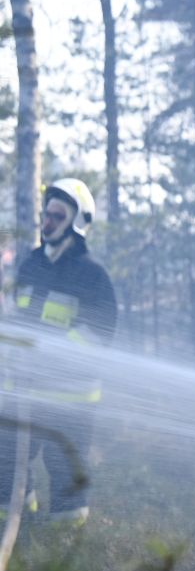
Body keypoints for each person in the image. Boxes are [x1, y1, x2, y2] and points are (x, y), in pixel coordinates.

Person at [0, 178, 117, 525]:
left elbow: (99, 334)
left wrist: (49, 351)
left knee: (66, 479)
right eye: (46, 215)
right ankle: (19, 531)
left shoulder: (92, 276)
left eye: (57, 216)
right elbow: (17, 318)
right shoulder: (31, 265)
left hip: (70, 402)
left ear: (76, 222)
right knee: (5, 468)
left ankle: (64, 545)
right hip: (22, 391)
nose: (47, 223)